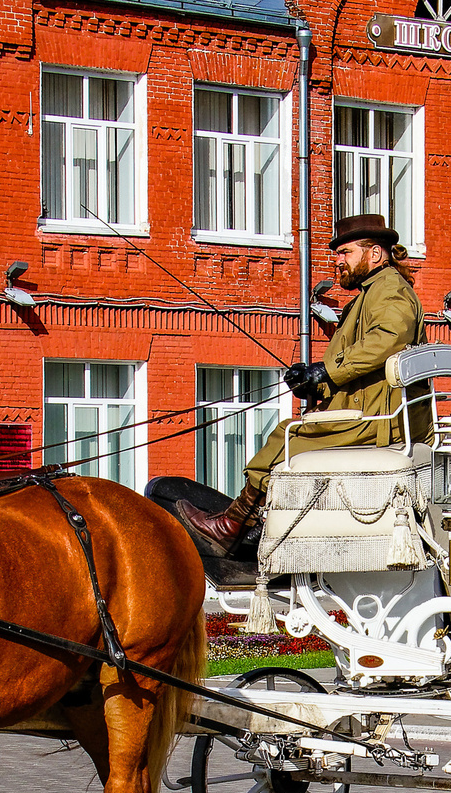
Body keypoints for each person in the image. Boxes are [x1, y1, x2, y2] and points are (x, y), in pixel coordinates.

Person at [178, 214, 427, 555]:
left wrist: (324, 373)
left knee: (289, 435)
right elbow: (358, 363)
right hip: (374, 408)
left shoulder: (389, 291)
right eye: (337, 254)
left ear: (375, 255)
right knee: (294, 431)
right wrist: (317, 384)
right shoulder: (373, 293)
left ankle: (230, 527)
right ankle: (257, 523)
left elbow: (386, 341)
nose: (338, 261)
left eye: (346, 253)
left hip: (381, 420)